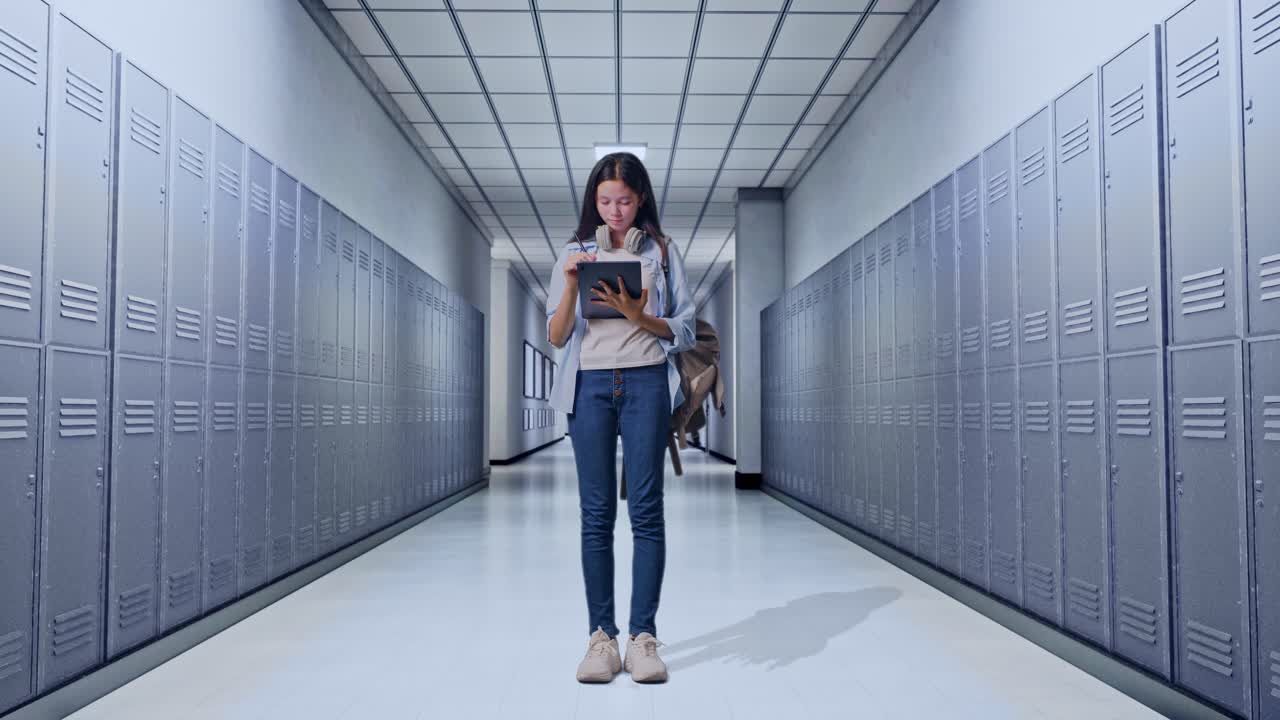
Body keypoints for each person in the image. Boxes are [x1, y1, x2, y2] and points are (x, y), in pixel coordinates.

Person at [545, 152, 696, 684]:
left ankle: (643, 638)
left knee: (647, 510)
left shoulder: (660, 251)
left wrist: (639, 315)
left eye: (625, 201)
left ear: (642, 200)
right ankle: (601, 639)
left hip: (645, 382)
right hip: (590, 386)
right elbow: (557, 335)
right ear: (594, 200)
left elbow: (687, 329)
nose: (615, 210)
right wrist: (570, 284)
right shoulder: (574, 252)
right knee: (596, 512)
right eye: (605, 200)